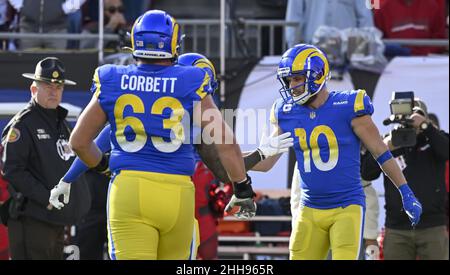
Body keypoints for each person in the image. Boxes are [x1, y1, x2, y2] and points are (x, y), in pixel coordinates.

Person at [48, 10, 255, 260]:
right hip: (177, 193)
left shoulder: (113, 78)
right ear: (174, 44)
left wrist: (103, 166)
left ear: (135, 41)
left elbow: (79, 142)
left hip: (129, 190)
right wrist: (242, 188)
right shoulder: (192, 80)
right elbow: (225, 142)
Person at [252, 44, 422, 260]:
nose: (292, 86)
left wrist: (406, 191)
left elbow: (381, 152)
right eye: (289, 80)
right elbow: (265, 163)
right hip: (308, 209)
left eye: (297, 78)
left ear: (317, 74)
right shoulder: (286, 112)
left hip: (346, 206)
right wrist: (227, 163)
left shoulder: (349, 105)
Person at [0, 57, 90, 260]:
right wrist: (47, 197)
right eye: (47, 86)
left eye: (58, 87)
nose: (53, 91)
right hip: (33, 220)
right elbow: (12, 170)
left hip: (55, 220)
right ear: (34, 90)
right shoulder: (23, 125)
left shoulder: (60, 123)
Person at [361, 100, 449, 260]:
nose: (410, 123)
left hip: (433, 226)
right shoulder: (389, 141)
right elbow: (367, 173)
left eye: (415, 117)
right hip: (397, 229)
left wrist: (426, 128)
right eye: (406, 119)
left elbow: (446, 151)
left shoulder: (434, 138)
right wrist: (384, 148)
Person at [285, 0, 374, 47]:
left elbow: (365, 17)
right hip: (312, 50)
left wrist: (365, 48)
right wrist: (293, 50)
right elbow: (294, 17)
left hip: (346, 51)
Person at [374, 0, 447, 56]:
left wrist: (419, 54)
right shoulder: (383, 10)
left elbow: (440, 39)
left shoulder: (432, 6)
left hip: (426, 64)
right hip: (394, 65)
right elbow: (377, 43)